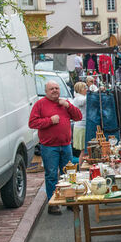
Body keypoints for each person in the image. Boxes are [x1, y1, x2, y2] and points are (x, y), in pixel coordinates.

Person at [28, 81, 82, 215]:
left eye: (56, 88)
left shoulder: (65, 104)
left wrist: (68, 106)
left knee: (69, 175)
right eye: (51, 89)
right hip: (49, 147)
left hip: (65, 145)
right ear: (46, 91)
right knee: (52, 175)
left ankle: (69, 200)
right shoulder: (40, 105)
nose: (55, 91)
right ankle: (53, 203)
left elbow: (78, 116)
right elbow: (32, 123)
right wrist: (50, 121)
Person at [71, 82, 88, 155]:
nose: (86, 89)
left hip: (81, 126)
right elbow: (83, 101)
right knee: (84, 151)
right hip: (81, 126)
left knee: (84, 151)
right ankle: (81, 166)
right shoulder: (79, 99)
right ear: (80, 89)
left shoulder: (79, 98)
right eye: (85, 88)